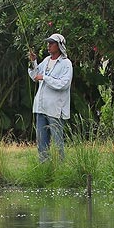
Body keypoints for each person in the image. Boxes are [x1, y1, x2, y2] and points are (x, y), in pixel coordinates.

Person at [28, 33, 73, 162]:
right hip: (41, 108)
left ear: (59, 46)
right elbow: (35, 75)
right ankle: (44, 168)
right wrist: (33, 62)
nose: (49, 46)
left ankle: (60, 168)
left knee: (58, 142)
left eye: (52, 43)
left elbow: (64, 84)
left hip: (55, 109)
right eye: (48, 43)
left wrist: (45, 78)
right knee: (42, 143)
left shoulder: (66, 63)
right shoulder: (46, 60)